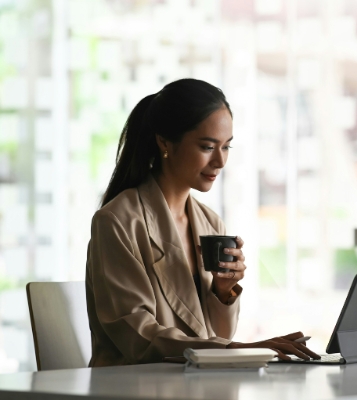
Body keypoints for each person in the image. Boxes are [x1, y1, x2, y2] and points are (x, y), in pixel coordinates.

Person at [85, 78, 319, 367]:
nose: (220, 161)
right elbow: (138, 337)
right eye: (208, 147)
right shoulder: (117, 222)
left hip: (194, 384)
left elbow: (216, 335)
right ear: (164, 143)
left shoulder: (209, 222)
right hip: (133, 386)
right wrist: (237, 349)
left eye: (227, 147)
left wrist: (224, 291)